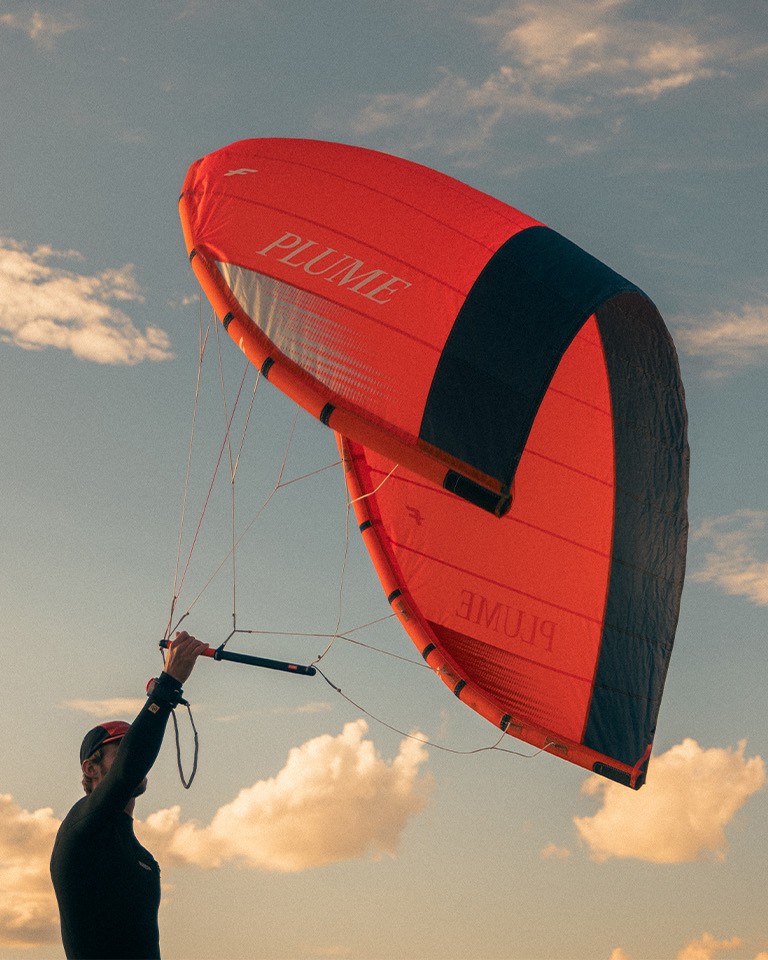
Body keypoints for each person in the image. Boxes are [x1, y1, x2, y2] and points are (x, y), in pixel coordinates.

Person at [50, 631, 208, 960]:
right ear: (91, 769)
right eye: (119, 749)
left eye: (128, 747)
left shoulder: (143, 857)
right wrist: (168, 686)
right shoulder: (81, 828)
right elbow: (126, 771)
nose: (128, 757)